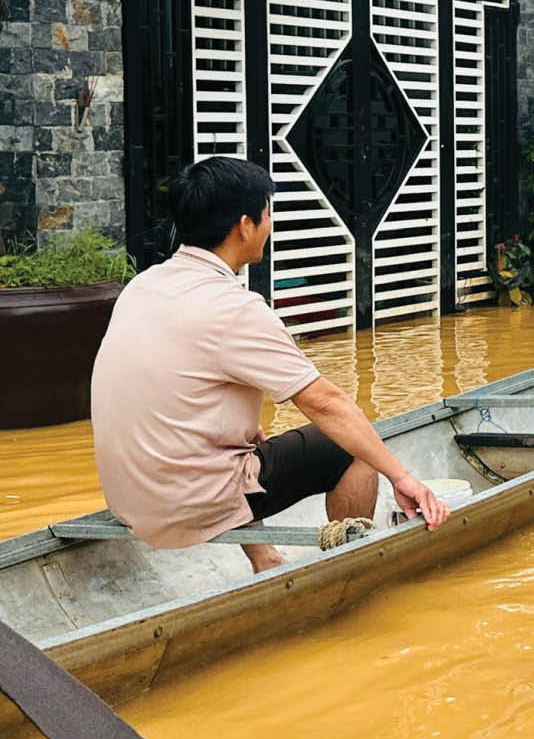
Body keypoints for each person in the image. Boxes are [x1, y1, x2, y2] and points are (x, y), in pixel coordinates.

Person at [91, 157, 449, 575]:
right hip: (188, 507)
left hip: (129, 502)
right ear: (245, 226)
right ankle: (348, 569)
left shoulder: (143, 285)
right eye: (267, 214)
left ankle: (266, 559)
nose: (270, 223)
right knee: (353, 446)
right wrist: (401, 477)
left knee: (245, 447)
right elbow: (327, 404)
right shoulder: (235, 309)